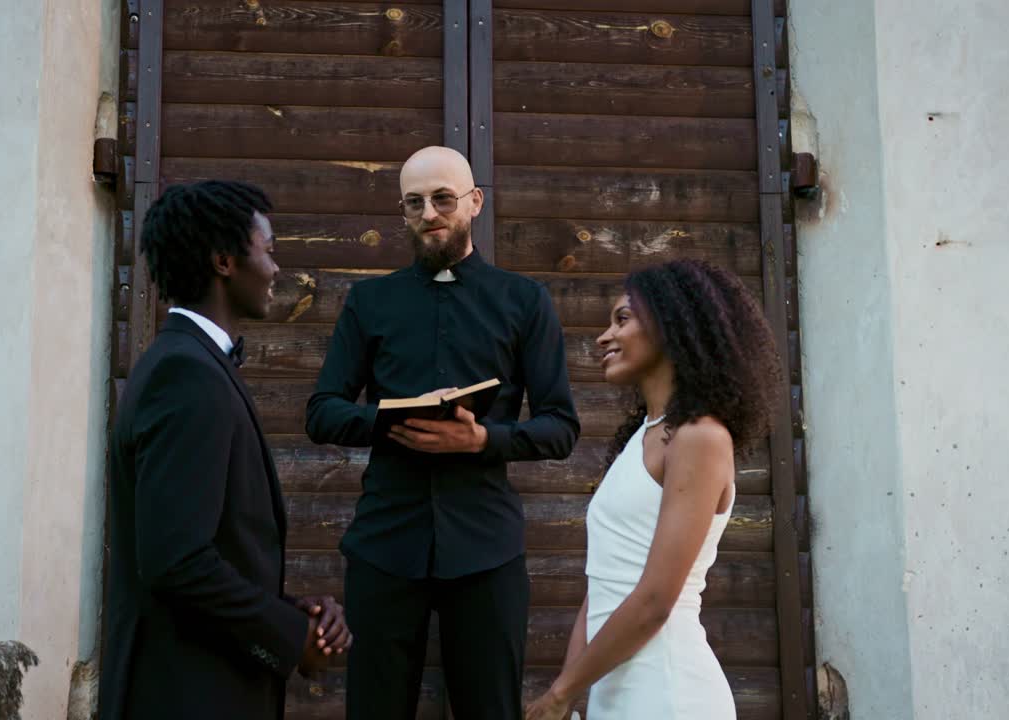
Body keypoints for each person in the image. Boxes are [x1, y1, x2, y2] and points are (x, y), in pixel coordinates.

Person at [306, 146, 580, 719]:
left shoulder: (524, 300)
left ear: (473, 203)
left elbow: (561, 427)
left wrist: (484, 440)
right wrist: (390, 421)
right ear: (402, 211)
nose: (429, 213)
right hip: (384, 546)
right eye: (414, 202)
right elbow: (321, 412)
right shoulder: (369, 301)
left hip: (487, 549)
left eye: (443, 198)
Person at [99, 180, 352, 720]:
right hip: (185, 695)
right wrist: (290, 636)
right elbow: (176, 560)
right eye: (269, 249)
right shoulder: (185, 375)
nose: (277, 269)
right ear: (224, 261)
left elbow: (204, 549)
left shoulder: (190, 364)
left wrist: (290, 612)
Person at [525, 260, 783, 720]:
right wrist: (569, 692)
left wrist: (561, 693)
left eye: (622, 319)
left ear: (669, 326)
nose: (604, 337)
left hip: (669, 691)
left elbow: (656, 599)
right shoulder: (645, 437)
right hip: (616, 693)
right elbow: (601, 587)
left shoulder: (699, 437)